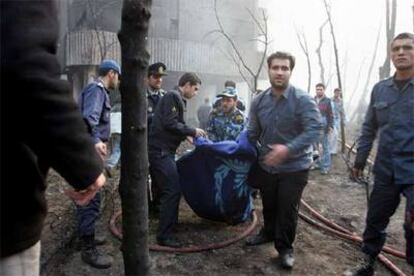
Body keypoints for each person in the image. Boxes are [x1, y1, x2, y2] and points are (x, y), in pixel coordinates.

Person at [1, 1, 106, 275]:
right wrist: (86, 163)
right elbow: (24, 68)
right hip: (7, 211)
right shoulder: (97, 91)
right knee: (91, 202)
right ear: (113, 74)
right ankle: (87, 243)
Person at [245, 51, 322, 269]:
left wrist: (287, 149)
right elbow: (252, 131)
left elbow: (315, 129)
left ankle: (285, 248)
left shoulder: (303, 99)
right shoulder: (258, 101)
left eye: (284, 68)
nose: (280, 72)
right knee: (269, 204)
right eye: (275, 67)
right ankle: (267, 232)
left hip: (295, 166)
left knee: (287, 209)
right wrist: (242, 145)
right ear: (268, 70)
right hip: (267, 164)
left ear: (290, 71)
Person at [349, 32, 414, 276]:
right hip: (385, 168)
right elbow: (369, 128)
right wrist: (359, 160)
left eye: (407, 47)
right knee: (375, 219)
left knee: (413, 225)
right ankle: (367, 263)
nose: (401, 52)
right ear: (391, 54)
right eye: (396, 48)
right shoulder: (380, 90)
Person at [148, 73, 206, 247]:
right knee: (172, 189)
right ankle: (164, 235)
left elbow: (173, 126)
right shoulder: (173, 96)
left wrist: (187, 136)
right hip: (160, 151)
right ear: (187, 85)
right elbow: (170, 123)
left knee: (170, 188)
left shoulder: (177, 99)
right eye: (195, 89)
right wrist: (192, 131)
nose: (196, 93)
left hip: (165, 151)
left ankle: (169, 225)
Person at [77, 59, 121, 268]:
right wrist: (96, 140)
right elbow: (89, 119)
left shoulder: (97, 90)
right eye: (118, 76)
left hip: (89, 148)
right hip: (90, 149)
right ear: (112, 73)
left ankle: (86, 236)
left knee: (89, 195)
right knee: (92, 196)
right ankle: (88, 249)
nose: (118, 81)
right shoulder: (97, 90)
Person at [146, 62, 168, 215]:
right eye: (155, 76)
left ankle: (158, 208)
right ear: (147, 78)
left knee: (159, 177)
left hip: (160, 144)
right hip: (143, 144)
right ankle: (145, 207)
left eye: (161, 77)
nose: (159, 80)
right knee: (143, 178)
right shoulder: (140, 96)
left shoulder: (166, 97)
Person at [314, 83, 334, 174]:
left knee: (325, 147)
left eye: (320, 89)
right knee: (316, 147)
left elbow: (330, 114)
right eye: (317, 89)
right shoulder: (313, 100)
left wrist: (330, 126)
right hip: (314, 127)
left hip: (324, 127)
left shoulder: (327, 101)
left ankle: (325, 167)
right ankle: (318, 164)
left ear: (324, 90)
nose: (319, 91)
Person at [329, 88, 345, 155]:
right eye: (337, 92)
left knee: (336, 135)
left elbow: (342, 110)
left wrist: (343, 119)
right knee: (333, 134)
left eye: (339, 93)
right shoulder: (330, 100)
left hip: (337, 119)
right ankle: (329, 150)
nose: (338, 94)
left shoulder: (341, 101)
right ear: (334, 92)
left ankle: (333, 150)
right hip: (331, 119)